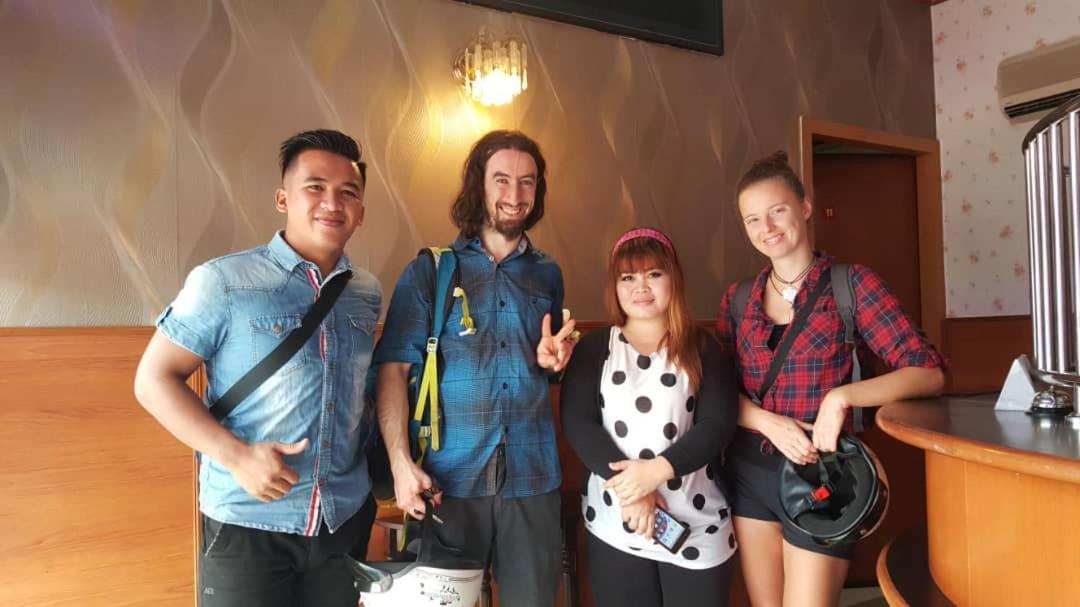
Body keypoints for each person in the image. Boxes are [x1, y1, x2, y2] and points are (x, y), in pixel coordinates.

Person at [133, 129, 381, 607]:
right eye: (315, 187)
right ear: (283, 198)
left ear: (361, 211)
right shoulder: (224, 281)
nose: (332, 202)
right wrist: (237, 456)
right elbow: (152, 380)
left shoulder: (366, 292)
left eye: (348, 192)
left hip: (342, 519)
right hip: (248, 520)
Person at [715, 151, 946, 607]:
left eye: (777, 210)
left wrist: (841, 398)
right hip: (748, 473)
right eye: (753, 219)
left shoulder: (852, 286)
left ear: (804, 206)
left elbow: (928, 372)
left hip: (825, 474)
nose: (767, 227)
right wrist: (766, 422)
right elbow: (716, 391)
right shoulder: (738, 299)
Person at [373, 130, 577, 607]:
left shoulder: (548, 273)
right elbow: (393, 372)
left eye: (527, 182)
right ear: (478, 185)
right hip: (448, 481)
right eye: (501, 179)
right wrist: (401, 465)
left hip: (533, 477)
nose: (515, 194)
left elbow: (547, 360)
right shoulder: (430, 271)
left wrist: (553, 363)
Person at [561, 227, 739, 606]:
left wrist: (654, 473)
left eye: (653, 274)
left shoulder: (703, 347)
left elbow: (717, 424)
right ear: (615, 286)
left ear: (674, 279)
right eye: (628, 277)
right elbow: (579, 423)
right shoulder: (595, 348)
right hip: (615, 521)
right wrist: (633, 491)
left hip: (697, 524)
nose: (640, 287)